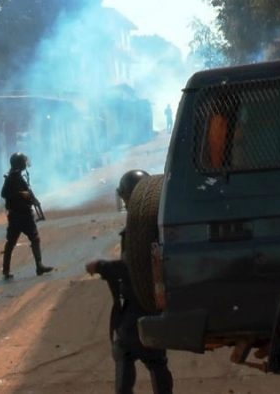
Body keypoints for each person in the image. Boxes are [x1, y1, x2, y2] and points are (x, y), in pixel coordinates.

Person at [86, 169, 173, 394]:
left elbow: (130, 267)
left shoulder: (137, 230)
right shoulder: (158, 223)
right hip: (156, 304)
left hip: (137, 304)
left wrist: (102, 267)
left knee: (125, 352)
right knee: (156, 360)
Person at [0, 152, 53, 279]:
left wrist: (32, 198)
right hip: (19, 215)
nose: (26, 164)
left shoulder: (18, 176)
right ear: (19, 163)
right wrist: (21, 194)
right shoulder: (12, 178)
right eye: (23, 162)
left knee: (19, 241)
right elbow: (4, 194)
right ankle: (36, 266)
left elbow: (27, 192)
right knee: (20, 241)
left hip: (21, 215)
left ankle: (9, 270)